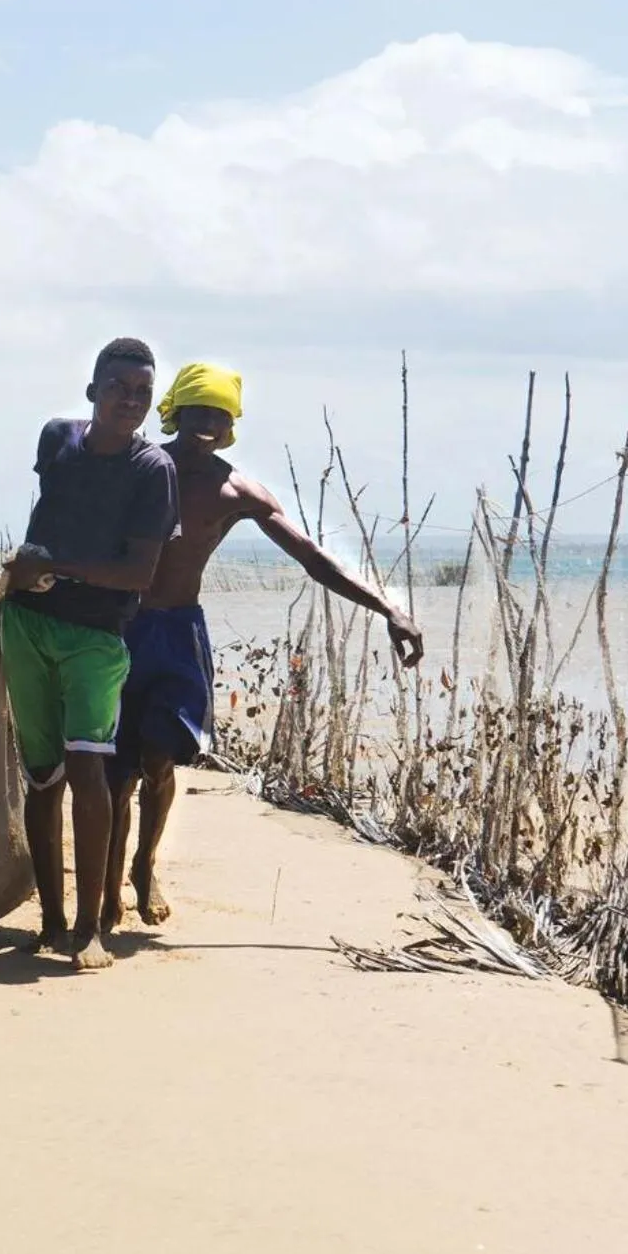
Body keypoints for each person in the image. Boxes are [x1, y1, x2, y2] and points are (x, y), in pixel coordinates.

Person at [106, 362, 426, 930]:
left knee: (159, 758)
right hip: (119, 626)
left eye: (218, 414)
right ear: (175, 413)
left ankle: (145, 864)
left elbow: (310, 556)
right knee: (115, 768)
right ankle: (106, 883)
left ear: (230, 424)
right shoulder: (136, 468)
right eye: (196, 411)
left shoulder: (236, 490)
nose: (206, 423)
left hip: (178, 633)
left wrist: (389, 608)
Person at [0, 338, 179, 971]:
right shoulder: (57, 439)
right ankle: (49, 921)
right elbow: (50, 512)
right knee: (41, 775)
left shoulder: (152, 470)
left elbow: (139, 574)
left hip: (98, 636)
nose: (130, 401)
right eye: (118, 388)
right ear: (93, 392)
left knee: (89, 770)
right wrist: (25, 576)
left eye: (141, 393)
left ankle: (90, 928)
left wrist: (53, 567)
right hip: (26, 623)